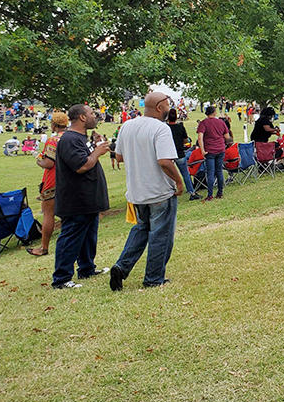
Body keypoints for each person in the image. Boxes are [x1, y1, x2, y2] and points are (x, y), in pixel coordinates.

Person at [110, 92, 183, 291]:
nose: (169, 109)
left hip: (137, 191)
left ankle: (121, 266)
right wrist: (179, 181)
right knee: (160, 235)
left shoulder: (127, 126)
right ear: (159, 107)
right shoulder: (161, 128)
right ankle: (153, 277)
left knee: (141, 230)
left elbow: (119, 157)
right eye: (167, 105)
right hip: (159, 191)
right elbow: (164, 161)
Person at [51, 104, 110, 289]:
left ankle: (86, 268)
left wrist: (95, 146)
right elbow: (81, 165)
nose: (95, 116)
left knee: (88, 234)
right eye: (92, 113)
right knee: (71, 236)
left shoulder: (80, 138)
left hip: (88, 198)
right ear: (82, 118)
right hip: (76, 199)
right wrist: (97, 152)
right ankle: (61, 278)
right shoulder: (69, 139)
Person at [28, 111, 69, 257]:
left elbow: (49, 163)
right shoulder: (71, 137)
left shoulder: (53, 140)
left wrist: (37, 158)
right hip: (68, 179)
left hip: (53, 180)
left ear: (54, 124)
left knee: (48, 214)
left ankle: (44, 247)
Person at [196, 105, 231, 201]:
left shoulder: (203, 123)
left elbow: (200, 137)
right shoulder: (220, 122)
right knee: (219, 171)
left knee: (210, 172)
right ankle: (220, 192)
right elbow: (227, 137)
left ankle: (210, 194)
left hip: (209, 150)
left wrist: (202, 150)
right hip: (220, 149)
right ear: (214, 112)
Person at [168, 109, 200, 201]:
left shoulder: (165, 127)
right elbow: (186, 141)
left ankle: (170, 192)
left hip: (168, 154)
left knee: (169, 175)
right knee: (185, 173)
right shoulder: (180, 127)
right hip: (179, 153)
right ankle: (192, 192)